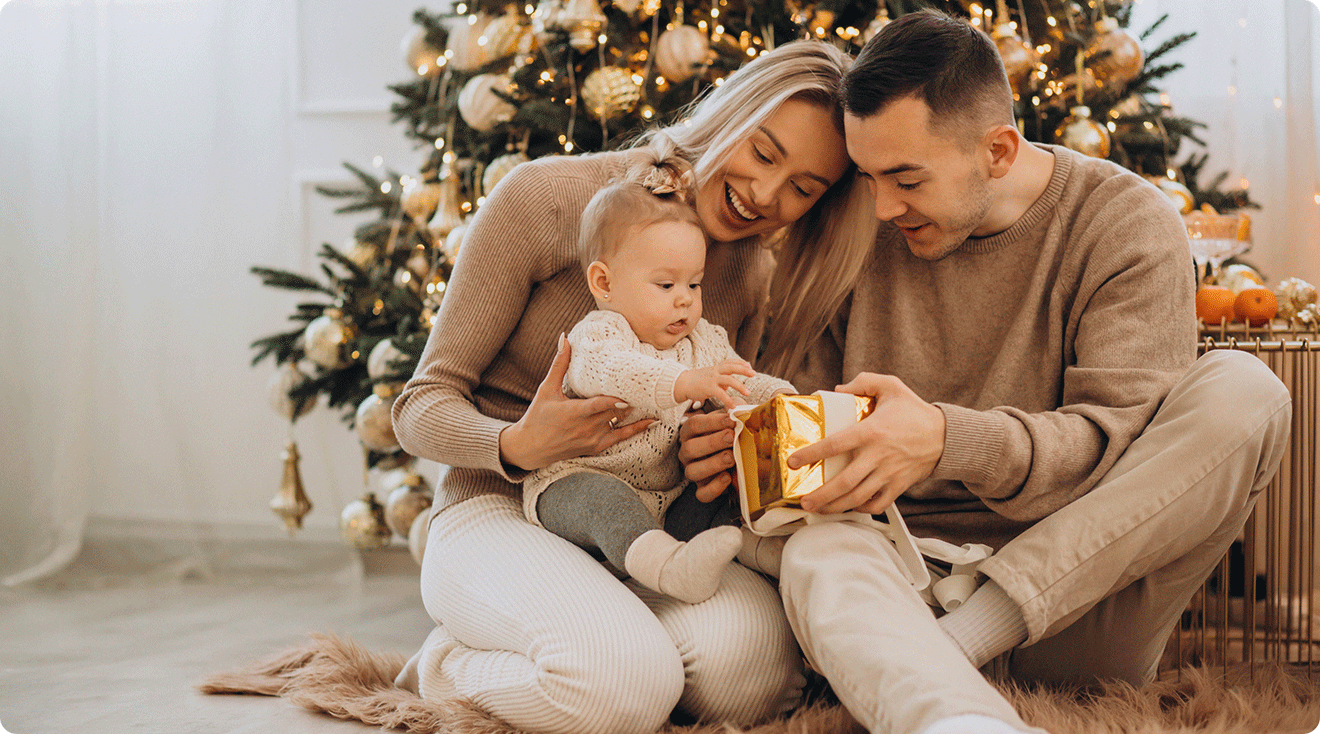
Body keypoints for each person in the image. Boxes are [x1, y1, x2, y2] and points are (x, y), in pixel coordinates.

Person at [678, 10, 1291, 734]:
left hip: (1076, 604)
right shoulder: (861, 229)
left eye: (906, 177)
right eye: (869, 176)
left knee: (1247, 392)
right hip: (893, 587)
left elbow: (1110, 449)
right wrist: (744, 443)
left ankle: (949, 651)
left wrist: (944, 439)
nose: (881, 206)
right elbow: (806, 422)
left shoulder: (1123, 222)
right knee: (818, 542)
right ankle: (956, 719)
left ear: (998, 150)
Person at [391, 39, 875, 734]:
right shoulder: (545, 198)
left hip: (647, 528)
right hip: (501, 507)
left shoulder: (746, 272)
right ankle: (445, 668)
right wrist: (517, 442)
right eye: (764, 154)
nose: (768, 195)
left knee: (757, 678)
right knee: (624, 688)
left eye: (803, 187)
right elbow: (418, 407)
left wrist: (716, 449)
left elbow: (714, 404)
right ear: (728, 116)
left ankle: (603, 645)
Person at [525, 154, 796, 605]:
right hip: (575, 483)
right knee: (606, 501)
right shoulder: (600, 334)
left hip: (664, 501)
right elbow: (617, 374)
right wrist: (686, 381)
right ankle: (669, 570)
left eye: (695, 284)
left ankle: (766, 553)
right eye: (666, 286)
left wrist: (782, 398)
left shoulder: (703, 340)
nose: (685, 302)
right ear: (604, 283)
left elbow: (740, 379)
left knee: (720, 497)